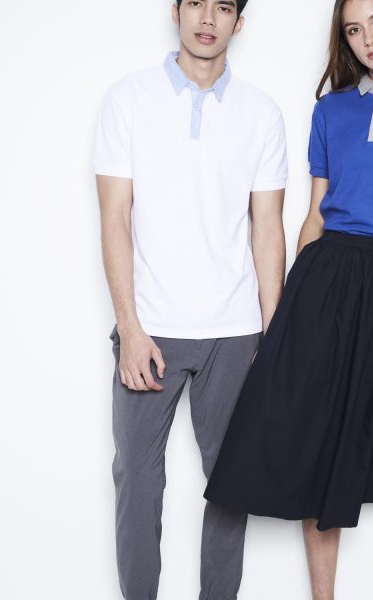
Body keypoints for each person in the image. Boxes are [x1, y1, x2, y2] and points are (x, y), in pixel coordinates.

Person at [203, 0, 373, 598]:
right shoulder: (331, 111)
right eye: (354, 30)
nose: (368, 39)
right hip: (328, 283)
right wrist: (284, 321)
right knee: (319, 446)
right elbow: (314, 217)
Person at [94, 1, 288, 598]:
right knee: (137, 481)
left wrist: (272, 334)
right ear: (176, 12)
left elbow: (267, 227)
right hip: (150, 327)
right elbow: (114, 217)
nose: (208, 18)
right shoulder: (128, 99)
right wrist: (130, 327)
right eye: (196, 3)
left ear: (238, 22)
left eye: (223, 7)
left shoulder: (261, 112)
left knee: (230, 485)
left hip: (234, 331)